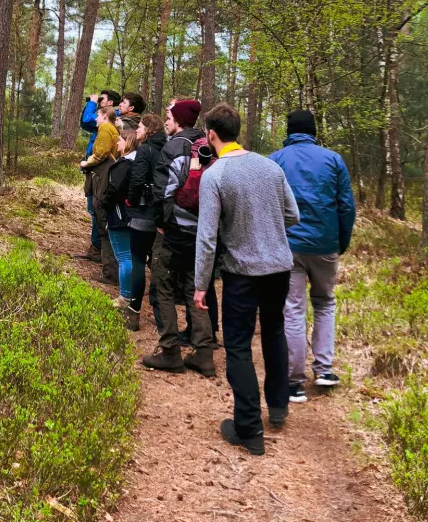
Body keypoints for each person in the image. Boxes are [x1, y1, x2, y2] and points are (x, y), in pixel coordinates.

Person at [195, 103, 300, 456]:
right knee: (274, 331)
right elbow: (293, 214)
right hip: (280, 267)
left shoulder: (215, 176)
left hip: (242, 273)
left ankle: (250, 430)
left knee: (238, 345)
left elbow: (207, 237)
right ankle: (279, 408)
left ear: (211, 134)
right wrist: (268, 233)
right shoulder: (270, 166)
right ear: (236, 131)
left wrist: (199, 284)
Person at [270, 110, 356, 402]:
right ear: (314, 131)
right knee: (324, 304)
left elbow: (269, 206)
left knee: (293, 309)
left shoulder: (277, 159)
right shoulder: (333, 159)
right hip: (325, 244)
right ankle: (324, 369)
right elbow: (346, 206)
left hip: (289, 246)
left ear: (289, 130)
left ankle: (294, 381)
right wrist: (339, 242)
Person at [142, 98, 217, 378]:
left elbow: (163, 191)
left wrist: (161, 224)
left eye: (169, 116)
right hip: (202, 233)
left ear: (179, 120)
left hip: (174, 231)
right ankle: (204, 354)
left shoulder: (174, 146)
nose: (166, 120)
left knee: (163, 286)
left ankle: (170, 351)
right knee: (194, 290)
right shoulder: (208, 145)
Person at [125, 113, 166, 331]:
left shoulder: (145, 150)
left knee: (138, 260)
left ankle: (133, 312)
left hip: (143, 212)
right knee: (158, 264)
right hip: (163, 215)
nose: (137, 130)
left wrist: (130, 202)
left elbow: (137, 180)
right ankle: (162, 318)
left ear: (149, 129)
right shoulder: (168, 148)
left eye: (140, 127)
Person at [79, 90, 122, 262]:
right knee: (95, 209)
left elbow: (87, 121)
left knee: (98, 209)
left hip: (101, 172)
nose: (98, 103)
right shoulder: (108, 121)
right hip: (97, 171)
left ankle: (99, 249)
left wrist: (92, 102)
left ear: (110, 103)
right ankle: (97, 248)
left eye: (102, 100)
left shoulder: (110, 120)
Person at [102, 127, 140, 318]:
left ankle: (125, 296)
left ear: (128, 142)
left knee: (124, 257)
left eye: (119, 140)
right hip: (131, 215)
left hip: (120, 215)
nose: (117, 143)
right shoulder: (137, 162)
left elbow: (115, 188)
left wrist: (103, 202)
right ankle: (131, 293)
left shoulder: (124, 164)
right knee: (130, 256)